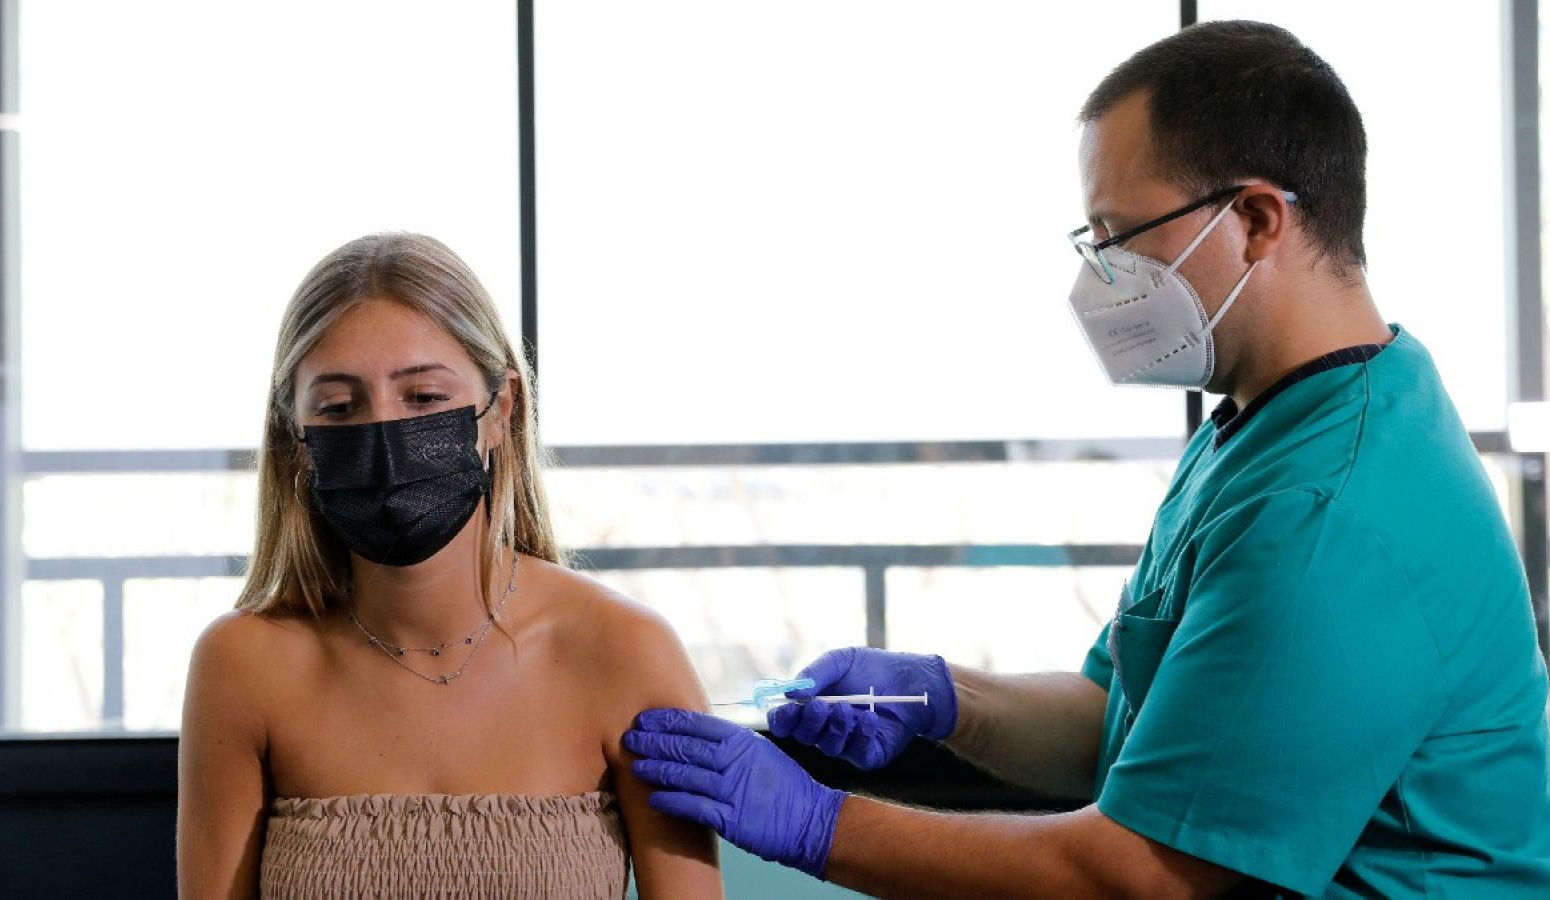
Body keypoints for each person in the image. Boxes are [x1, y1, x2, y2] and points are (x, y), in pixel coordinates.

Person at [625, 20, 1550, 897]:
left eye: (1118, 235)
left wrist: (815, 823)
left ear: (1258, 220)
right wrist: (945, 701)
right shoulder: (1278, 418)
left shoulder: (1327, 511)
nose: (1097, 275)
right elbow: (1128, 718)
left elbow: (1130, 877)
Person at [178, 233, 723, 898]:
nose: (382, 440)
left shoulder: (624, 653)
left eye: (425, 398)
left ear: (501, 411)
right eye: (340, 407)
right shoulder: (242, 666)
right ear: (298, 440)